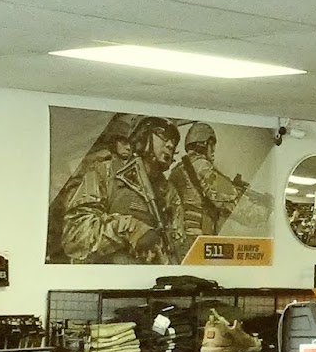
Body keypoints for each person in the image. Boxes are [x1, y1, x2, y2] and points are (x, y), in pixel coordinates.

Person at [59, 116, 183, 264]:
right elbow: (75, 236)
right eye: (163, 135)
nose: (170, 144)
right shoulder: (104, 172)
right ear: (142, 135)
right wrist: (131, 229)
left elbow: (179, 245)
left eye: (174, 141)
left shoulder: (169, 192)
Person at [47, 113, 137, 262]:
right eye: (123, 141)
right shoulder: (99, 164)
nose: (128, 147)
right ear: (112, 140)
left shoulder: (121, 168)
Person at [170, 122, 253, 241]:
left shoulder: (176, 170)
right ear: (204, 144)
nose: (213, 150)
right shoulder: (202, 166)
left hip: (180, 238)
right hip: (198, 238)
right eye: (211, 145)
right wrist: (267, 211)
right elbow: (235, 205)